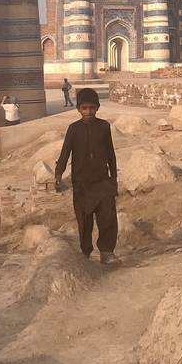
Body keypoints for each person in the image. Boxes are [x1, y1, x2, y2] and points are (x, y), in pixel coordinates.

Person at [54, 87, 120, 264]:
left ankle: (106, 252)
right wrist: (58, 174)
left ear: (97, 107)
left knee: (108, 218)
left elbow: (111, 154)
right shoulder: (73, 129)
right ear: (78, 109)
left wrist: (113, 180)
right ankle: (85, 253)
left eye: (92, 108)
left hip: (103, 183)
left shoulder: (104, 127)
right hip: (82, 184)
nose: (88, 112)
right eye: (84, 108)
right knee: (85, 222)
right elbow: (65, 152)